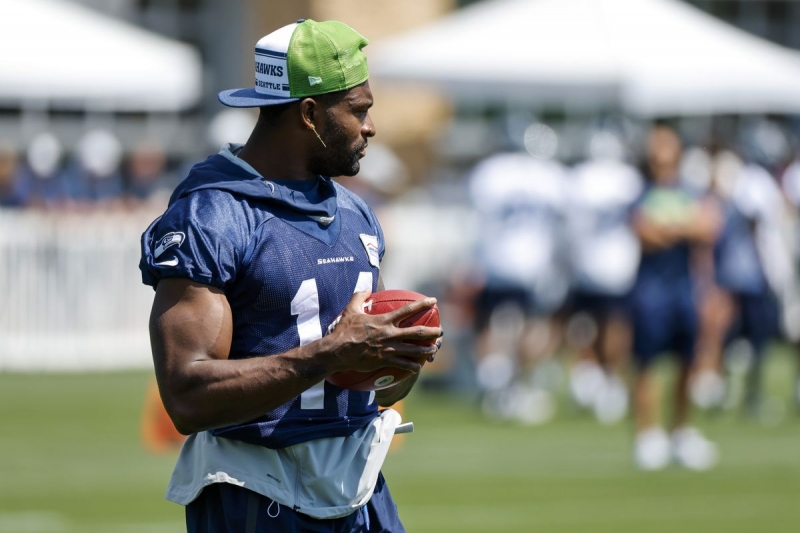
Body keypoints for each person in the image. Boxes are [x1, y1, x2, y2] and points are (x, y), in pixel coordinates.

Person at [139, 20, 442, 532]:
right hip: (256, 493)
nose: (370, 127)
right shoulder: (212, 216)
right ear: (309, 114)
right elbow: (187, 397)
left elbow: (372, 389)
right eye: (358, 110)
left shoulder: (355, 213)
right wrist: (331, 353)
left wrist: (401, 355)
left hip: (360, 491)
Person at [628, 124, 722, 471]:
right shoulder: (641, 192)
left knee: (687, 362)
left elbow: (709, 227)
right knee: (647, 363)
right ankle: (648, 435)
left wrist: (670, 227)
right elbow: (644, 232)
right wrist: (683, 227)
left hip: (684, 287)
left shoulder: (689, 191)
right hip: (650, 289)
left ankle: (681, 432)